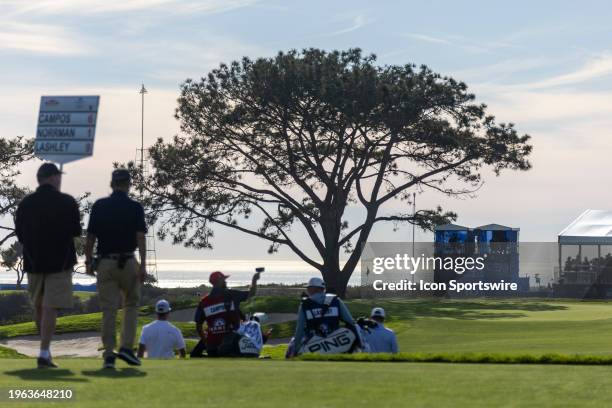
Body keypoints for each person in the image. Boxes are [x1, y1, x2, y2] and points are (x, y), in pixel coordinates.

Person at [15, 163, 82, 368]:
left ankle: (45, 351)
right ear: (52, 178)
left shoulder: (25, 203)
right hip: (60, 263)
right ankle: (44, 352)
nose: (60, 180)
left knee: (39, 306)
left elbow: (20, 234)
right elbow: (76, 231)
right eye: (58, 176)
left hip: (34, 261)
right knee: (50, 307)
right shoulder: (67, 201)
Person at [85, 169, 147, 369]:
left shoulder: (100, 206)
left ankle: (109, 355)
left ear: (112, 184)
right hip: (128, 261)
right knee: (131, 304)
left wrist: (88, 262)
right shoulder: (135, 207)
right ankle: (127, 348)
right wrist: (143, 265)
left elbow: (91, 239)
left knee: (109, 310)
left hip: (106, 262)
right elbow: (140, 237)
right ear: (128, 184)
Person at [288, 277, 362, 357]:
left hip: (314, 345)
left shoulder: (305, 304)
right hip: (337, 344)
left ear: (313, 289)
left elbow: (300, 329)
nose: (308, 291)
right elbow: (350, 322)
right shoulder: (336, 301)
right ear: (323, 289)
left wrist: (296, 349)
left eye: (308, 288)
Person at [193, 270, 260, 356]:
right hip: (232, 346)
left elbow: (198, 326)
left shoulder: (204, 302)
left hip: (212, 346)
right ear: (219, 282)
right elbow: (251, 293)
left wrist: (206, 342)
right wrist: (254, 280)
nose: (225, 281)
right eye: (223, 280)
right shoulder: (232, 294)